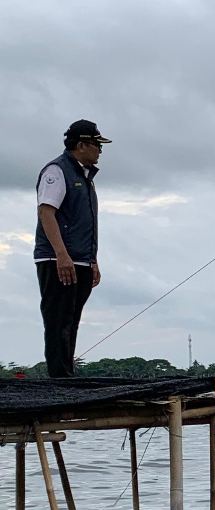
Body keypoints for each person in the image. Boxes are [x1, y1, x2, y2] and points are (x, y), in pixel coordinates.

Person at [34, 119, 111, 377]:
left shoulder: (86, 177)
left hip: (81, 259)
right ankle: (59, 378)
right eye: (96, 145)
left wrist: (93, 260)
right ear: (81, 145)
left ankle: (68, 374)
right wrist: (61, 254)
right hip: (58, 259)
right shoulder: (57, 171)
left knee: (72, 319)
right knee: (58, 320)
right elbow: (47, 212)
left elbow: (85, 222)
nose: (100, 150)